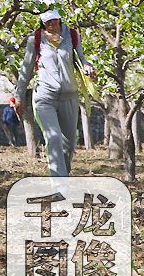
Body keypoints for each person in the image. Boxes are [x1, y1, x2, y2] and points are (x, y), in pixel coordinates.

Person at [13, 9, 95, 177]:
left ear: (59, 19)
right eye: (47, 21)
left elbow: (81, 58)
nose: (51, 24)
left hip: (69, 96)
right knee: (54, 137)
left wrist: (88, 66)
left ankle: (63, 177)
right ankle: (59, 185)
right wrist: (18, 96)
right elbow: (26, 69)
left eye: (54, 20)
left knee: (68, 145)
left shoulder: (72, 35)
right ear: (42, 22)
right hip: (45, 96)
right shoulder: (35, 39)